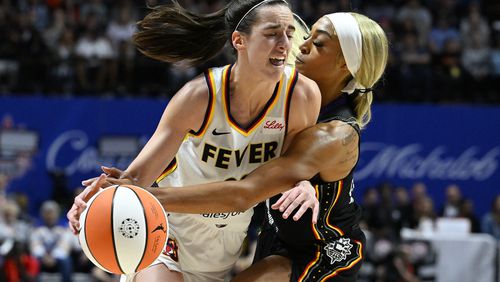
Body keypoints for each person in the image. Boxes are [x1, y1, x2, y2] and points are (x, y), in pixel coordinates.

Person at [75, 11, 389, 281]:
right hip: (269, 238)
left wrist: (140, 198)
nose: (303, 46)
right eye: (306, 37)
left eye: (317, 44)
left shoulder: (334, 134)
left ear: (345, 66)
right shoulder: (269, 91)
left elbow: (245, 193)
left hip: (322, 248)